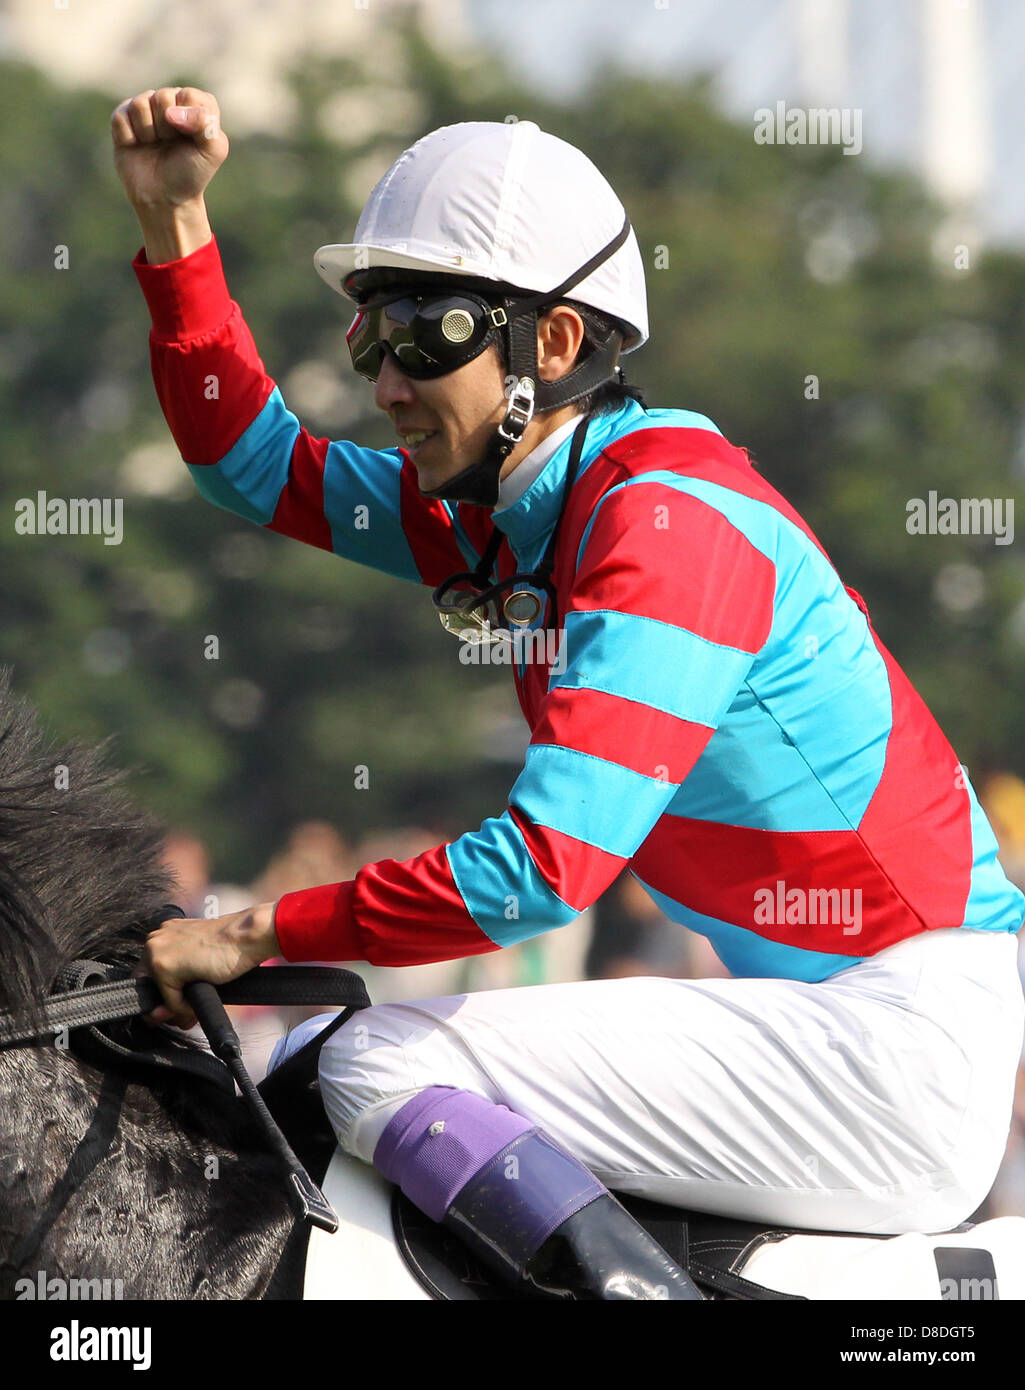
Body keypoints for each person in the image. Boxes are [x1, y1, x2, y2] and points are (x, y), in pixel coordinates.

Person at [113, 86, 1025, 1300]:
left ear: (549, 345)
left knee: (372, 1059)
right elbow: (251, 465)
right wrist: (176, 224)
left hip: (896, 1047)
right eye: (370, 336)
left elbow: (541, 872)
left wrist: (251, 928)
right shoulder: (521, 516)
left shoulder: (664, 523)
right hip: (831, 1028)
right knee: (326, 1061)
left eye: (426, 330)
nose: (386, 380)